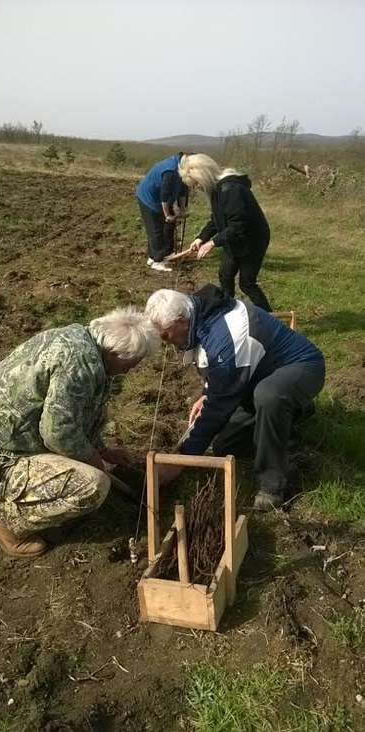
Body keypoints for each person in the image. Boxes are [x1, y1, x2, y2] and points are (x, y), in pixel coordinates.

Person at [0, 307, 160, 557]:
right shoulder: (78, 366)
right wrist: (92, 461)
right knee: (92, 485)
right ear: (115, 352)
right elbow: (58, 433)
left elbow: (76, 414)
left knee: (89, 468)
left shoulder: (82, 342)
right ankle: (1, 520)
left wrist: (102, 450)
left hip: (9, 442)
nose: (132, 369)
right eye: (132, 362)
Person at [146, 285, 325, 511]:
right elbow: (217, 372)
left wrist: (180, 460)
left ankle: (272, 484)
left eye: (165, 334)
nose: (165, 341)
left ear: (181, 321)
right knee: (227, 445)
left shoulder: (226, 333)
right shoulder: (199, 315)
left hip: (301, 367)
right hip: (259, 375)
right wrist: (207, 394)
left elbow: (219, 406)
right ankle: (289, 419)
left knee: (269, 397)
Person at [178, 153, 272, 311]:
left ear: (204, 176)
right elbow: (216, 220)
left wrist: (212, 243)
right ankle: (229, 310)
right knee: (225, 274)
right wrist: (201, 238)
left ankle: (269, 316)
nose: (197, 189)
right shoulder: (217, 190)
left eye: (196, 184)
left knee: (247, 283)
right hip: (234, 238)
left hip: (252, 240)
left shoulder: (230, 189)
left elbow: (238, 225)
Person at [136, 152, 189, 272]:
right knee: (156, 229)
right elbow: (164, 196)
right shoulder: (170, 171)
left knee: (169, 226)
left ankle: (164, 253)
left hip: (164, 198)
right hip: (149, 198)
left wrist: (182, 210)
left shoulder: (183, 170)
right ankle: (157, 261)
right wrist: (167, 215)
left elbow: (183, 191)